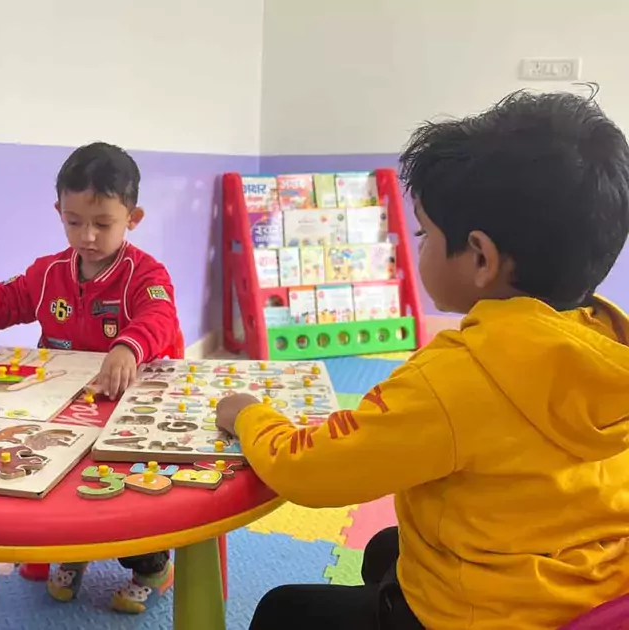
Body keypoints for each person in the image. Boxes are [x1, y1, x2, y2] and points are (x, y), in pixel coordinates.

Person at [217, 89, 629, 630]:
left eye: (423, 233)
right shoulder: (611, 340)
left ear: (480, 257)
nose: (417, 247)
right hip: (594, 594)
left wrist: (248, 413)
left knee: (281, 610)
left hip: (482, 614)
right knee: (385, 548)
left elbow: (309, 471)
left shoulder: (454, 377)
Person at [0, 141, 182, 613]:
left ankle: (150, 563)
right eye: (74, 222)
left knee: (122, 487)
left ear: (132, 219)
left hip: (125, 403)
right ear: (58, 210)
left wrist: (126, 346)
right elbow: (8, 303)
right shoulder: (49, 271)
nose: (87, 236)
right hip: (61, 401)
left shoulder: (144, 272)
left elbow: (159, 314)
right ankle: (71, 552)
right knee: (58, 479)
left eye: (102, 224)